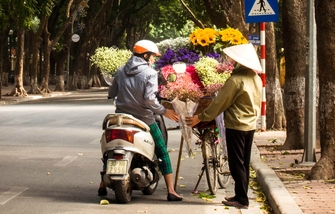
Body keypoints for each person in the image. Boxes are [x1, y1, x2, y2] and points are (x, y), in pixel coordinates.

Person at [99, 39, 183, 202]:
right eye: (152, 57)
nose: (153, 60)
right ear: (145, 55)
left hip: (121, 118)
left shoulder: (121, 70)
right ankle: (171, 190)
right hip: (144, 119)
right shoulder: (150, 73)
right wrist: (165, 111)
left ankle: (102, 184)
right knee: (163, 152)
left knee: (110, 150)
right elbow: (150, 100)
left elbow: (112, 92)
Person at [185, 44, 263, 209]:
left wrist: (201, 117)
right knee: (244, 162)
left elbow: (219, 103)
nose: (232, 62)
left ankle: (242, 199)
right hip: (250, 125)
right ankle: (241, 194)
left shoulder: (235, 80)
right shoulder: (255, 78)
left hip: (237, 125)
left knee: (236, 163)